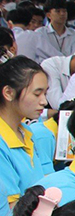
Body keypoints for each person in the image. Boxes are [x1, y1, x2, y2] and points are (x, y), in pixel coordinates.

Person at [0, 57, 52, 206]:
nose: (43, 101)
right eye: (37, 94)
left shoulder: (27, 132)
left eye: (45, 93)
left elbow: (48, 181)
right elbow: (10, 209)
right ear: (9, 93)